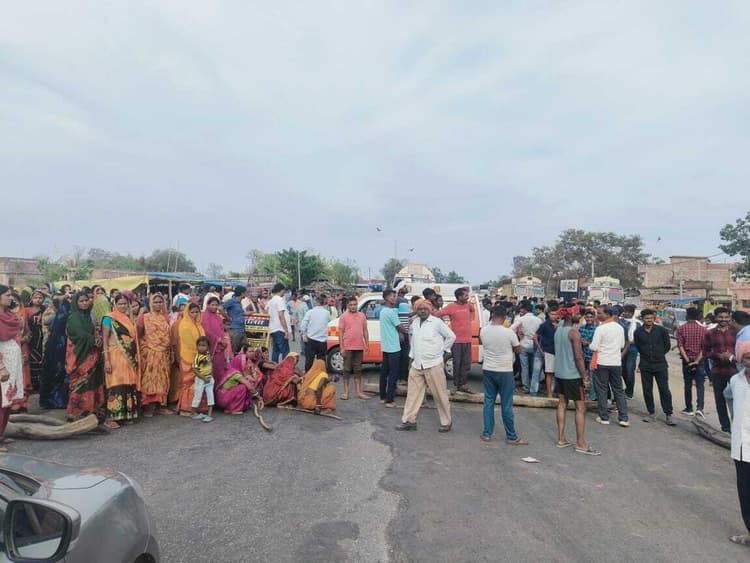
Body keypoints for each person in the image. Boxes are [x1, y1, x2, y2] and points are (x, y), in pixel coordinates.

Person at [395, 299, 455, 432]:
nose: (422, 311)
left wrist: (443, 351)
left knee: (440, 395)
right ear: (416, 310)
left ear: (430, 309)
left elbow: (451, 336)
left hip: (434, 363)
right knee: (412, 395)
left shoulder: (437, 322)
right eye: (420, 309)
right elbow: (413, 342)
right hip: (417, 364)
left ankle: (446, 422)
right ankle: (409, 421)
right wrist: (411, 358)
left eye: (425, 309)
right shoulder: (414, 323)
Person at [554, 308, 599, 455]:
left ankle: (561, 439)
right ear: (571, 315)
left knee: (562, 404)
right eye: (578, 313)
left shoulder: (559, 330)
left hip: (559, 373)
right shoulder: (574, 333)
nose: (580, 316)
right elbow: (578, 357)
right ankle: (580, 443)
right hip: (573, 376)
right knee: (580, 408)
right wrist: (585, 376)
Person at [480, 305, 527, 444]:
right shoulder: (509, 333)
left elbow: (483, 343)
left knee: (489, 402)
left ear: (492, 315)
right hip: (505, 370)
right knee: (506, 404)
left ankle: (487, 433)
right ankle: (511, 436)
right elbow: (518, 350)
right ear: (505, 317)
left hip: (488, 368)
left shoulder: (483, 331)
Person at [723, 347, 750, 547]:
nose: (749, 360)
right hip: (740, 447)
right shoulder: (735, 380)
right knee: (745, 494)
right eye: (746, 356)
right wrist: (735, 418)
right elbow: (728, 396)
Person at [101, 294, 141, 429]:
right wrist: (106, 360)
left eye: (125, 304)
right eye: (120, 304)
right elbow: (105, 340)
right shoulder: (108, 318)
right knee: (115, 384)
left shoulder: (129, 319)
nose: (123, 306)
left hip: (128, 358)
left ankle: (125, 415)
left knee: (128, 383)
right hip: (114, 356)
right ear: (115, 304)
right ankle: (110, 418)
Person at [65, 292, 105, 421]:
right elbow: (79, 335)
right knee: (81, 383)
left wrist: (98, 339)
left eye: (86, 300)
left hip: (92, 354)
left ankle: (92, 409)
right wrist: (94, 340)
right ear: (76, 303)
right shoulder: (73, 318)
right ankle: (77, 412)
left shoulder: (90, 316)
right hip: (80, 355)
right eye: (81, 301)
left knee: (92, 382)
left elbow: (95, 331)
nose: (84, 303)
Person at [634, 309, 675, 426]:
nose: (649, 320)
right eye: (647, 318)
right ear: (642, 319)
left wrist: (658, 354)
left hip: (660, 364)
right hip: (645, 365)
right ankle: (651, 412)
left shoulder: (661, 330)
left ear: (654, 318)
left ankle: (668, 413)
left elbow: (667, 346)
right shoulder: (638, 332)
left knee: (664, 389)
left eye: (651, 318)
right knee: (647, 389)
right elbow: (638, 346)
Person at [589, 306, 628, 427]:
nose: (597, 315)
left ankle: (604, 417)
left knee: (602, 390)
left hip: (602, 362)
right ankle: (623, 418)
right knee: (618, 391)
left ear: (607, 314)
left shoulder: (601, 328)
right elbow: (622, 345)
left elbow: (594, 347)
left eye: (599, 313)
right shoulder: (619, 327)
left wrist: (589, 344)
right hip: (615, 362)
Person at [137, 293, 173, 417]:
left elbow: (169, 336)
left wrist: (171, 352)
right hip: (150, 354)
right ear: (150, 303)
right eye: (155, 302)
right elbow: (138, 335)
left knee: (163, 379)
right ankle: (148, 407)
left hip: (164, 354)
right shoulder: (144, 317)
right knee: (150, 379)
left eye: (160, 302)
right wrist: (145, 348)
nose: (158, 304)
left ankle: (160, 406)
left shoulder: (166, 318)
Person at [703, 307, 737, 433]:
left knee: (737, 400)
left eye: (726, 317)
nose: (724, 319)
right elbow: (705, 352)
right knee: (720, 400)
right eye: (721, 317)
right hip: (718, 371)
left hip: (735, 371)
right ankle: (725, 428)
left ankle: (738, 427)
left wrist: (732, 356)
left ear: (730, 318)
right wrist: (718, 356)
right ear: (716, 318)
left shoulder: (735, 331)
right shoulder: (709, 333)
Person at [435, 287, 475, 394]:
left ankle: (463, 385)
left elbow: (473, 310)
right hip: (456, 341)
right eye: (465, 295)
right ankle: (456, 386)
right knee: (457, 363)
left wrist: (471, 319)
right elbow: (437, 314)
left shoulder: (468, 305)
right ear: (459, 296)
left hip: (467, 340)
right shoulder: (451, 307)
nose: (467, 297)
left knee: (466, 364)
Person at [0, 285, 24, 450]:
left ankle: (1, 434)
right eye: (7, 295)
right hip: (2, 363)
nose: (11, 298)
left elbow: (19, 328)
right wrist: (1, 367)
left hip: (12, 361)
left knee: (8, 401)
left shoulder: (9, 315)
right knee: (1, 400)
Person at [40, 292, 71, 409]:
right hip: (60, 348)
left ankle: (51, 399)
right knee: (59, 373)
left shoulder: (57, 317)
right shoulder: (61, 316)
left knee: (55, 373)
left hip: (55, 348)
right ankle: (58, 400)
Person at [175, 303, 207, 415]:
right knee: (188, 383)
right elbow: (190, 344)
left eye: (197, 312)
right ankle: (186, 408)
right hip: (188, 358)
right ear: (187, 313)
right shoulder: (184, 325)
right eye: (192, 312)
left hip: (200, 356)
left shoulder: (198, 325)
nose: (195, 314)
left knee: (198, 382)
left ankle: (197, 407)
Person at [676, 307, 707, 417]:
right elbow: (704, 348)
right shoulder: (704, 330)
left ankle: (689, 408)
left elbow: (680, 346)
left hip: (687, 361)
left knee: (688, 384)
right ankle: (700, 408)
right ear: (698, 317)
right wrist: (697, 361)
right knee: (700, 385)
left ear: (687, 316)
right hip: (700, 361)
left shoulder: (681, 329)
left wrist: (688, 361)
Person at [216, 346, 265, 414]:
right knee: (243, 387)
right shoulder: (236, 374)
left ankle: (231, 407)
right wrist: (259, 398)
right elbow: (250, 387)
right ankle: (233, 409)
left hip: (221, 398)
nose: (244, 364)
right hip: (223, 400)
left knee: (247, 383)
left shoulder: (231, 371)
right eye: (243, 362)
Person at [338, 296, 369, 400]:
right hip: (347, 347)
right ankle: (346, 392)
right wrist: (342, 348)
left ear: (357, 305)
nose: (353, 307)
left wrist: (367, 344)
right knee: (346, 370)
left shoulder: (362, 316)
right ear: (347, 305)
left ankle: (358, 392)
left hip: (359, 347)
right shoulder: (343, 317)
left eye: (355, 304)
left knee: (358, 370)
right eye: (351, 305)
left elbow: (365, 331)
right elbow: (340, 333)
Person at [510, 302, 542, 394]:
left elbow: (511, 329)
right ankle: (534, 387)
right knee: (534, 368)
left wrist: (519, 336)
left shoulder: (521, 319)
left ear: (524, 310)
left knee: (524, 367)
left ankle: (526, 387)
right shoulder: (538, 320)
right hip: (535, 344)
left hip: (523, 343)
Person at [379, 289, 403, 408]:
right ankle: (390, 400)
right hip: (394, 347)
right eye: (393, 296)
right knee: (393, 374)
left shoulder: (383, 311)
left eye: (395, 296)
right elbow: (400, 327)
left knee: (384, 373)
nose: (395, 298)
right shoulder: (391, 313)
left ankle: (383, 397)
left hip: (386, 346)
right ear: (387, 298)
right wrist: (404, 330)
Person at [202, 296, 231, 385]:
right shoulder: (204, 316)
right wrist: (218, 340)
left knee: (219, 370)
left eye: (216, 305)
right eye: (212, 305)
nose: (215, 307)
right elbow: (206, 331)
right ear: (207, 305)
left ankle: (218, 390)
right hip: (211, 347)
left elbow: (221, 331)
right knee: (212, 370)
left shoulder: (218, 317)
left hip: (220, 348)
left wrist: (224, 341)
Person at [300, 295, 331, 371]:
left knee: (309, 361)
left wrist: (304, 334)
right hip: (322, 341)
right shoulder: (327, 313)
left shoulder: (310, 312)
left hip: (311, 340)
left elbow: (303, 325)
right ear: (323, 303)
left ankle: (308, 375)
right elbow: (328, 322)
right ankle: (320, 375)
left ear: (316, 302)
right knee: (321, 361)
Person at [22, 289, 45, 393]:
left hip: (43, 337)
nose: (38, 300)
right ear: (31, 299)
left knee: (42, 360)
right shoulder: (26, 310)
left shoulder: (45, 309)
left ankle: (41, 384)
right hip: (32, 338)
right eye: (35, 297)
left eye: (40, 297)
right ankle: (33, 385)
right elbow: (24, 325)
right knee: (32, 361)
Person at [533, 306, 558, 398]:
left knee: (556, 374)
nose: (554, 316)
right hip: (549, 351)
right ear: (548, 314)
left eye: (555, 314)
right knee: (549, 373)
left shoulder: (560, 324)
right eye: (552, 314)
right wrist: (540, 350)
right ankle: (549, 394)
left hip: (558, 352)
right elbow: (535, 337)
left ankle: (555, 392)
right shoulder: (544, 325)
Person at [190, 336, 215, 422]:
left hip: (209, 379)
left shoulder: (208, 355)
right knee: (197, 395)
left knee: (210, 396)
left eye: (204, 345)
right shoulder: (197, 357)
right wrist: (204, 378)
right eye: (199, 345)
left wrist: (211, 376)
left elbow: (210, 365)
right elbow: (194, 370)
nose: (201, 347)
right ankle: (193, 413)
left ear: (208, 347)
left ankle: (209, 415)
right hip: (201, 380)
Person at [619, 304, 641, 399]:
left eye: (627, 312)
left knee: (629, 370)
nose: (625, 313)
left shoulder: (637, 324)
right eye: (624, 311)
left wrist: (630, 342)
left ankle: (629, 392)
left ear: (632, 313)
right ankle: (627, 388)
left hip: (632, 350)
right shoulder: (620, 321)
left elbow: (639, 338)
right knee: (622, 370)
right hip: (621, 349)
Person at [266, 283, 291, 363]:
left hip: (273, 329)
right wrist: (286, 330)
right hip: (280, 329)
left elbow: (266, 312)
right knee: (285, 351)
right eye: (284, 291)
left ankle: (274, 367)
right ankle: (285, 368)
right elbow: (281, 315)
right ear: (281, 290)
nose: (284, 292)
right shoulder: (279, 300)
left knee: (276, 351)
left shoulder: (271, 301)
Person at [579, 309, 598, 401]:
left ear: (594, 318)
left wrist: (588, 343)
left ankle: (592, 397)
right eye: (587, 317)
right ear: (585, 318)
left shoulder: (597, 329)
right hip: (582, 356)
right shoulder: (581, 328)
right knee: (581, 376)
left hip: (592, 356)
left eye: (591, 317)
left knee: (592, 377)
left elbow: (598, 343)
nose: (589, 319)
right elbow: (577, 339)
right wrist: (581, 341)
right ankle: (580, 395)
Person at [224, 286, 247, 355]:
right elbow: (220, 308)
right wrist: (228, 318)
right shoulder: (232, 301)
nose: (246, 294)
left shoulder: (239, 302)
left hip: (242, 329)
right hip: (235, 330)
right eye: (245, 293)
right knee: (233, 351)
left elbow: (241, 313)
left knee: (243, 351)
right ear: (242, 293)